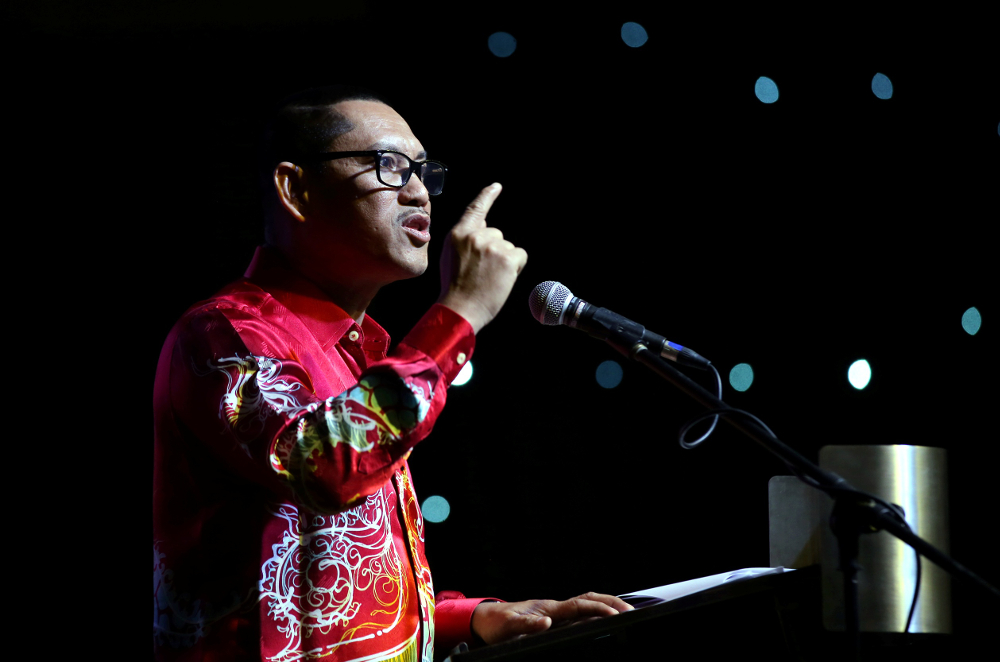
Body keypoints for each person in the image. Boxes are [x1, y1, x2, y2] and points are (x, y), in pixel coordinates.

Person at [153, 85, 632, 662]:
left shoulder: (371, 352)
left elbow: (339, 579)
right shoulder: (223, 334)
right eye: (388, 166)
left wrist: (472, 617)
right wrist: (460, 314)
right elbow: (326, 467)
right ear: (295, 189)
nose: (418, 193)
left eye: (424, 173)